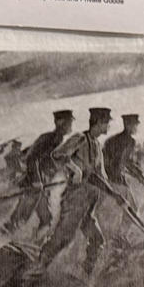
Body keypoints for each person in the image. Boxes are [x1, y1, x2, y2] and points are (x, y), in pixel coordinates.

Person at [39, 107, 115, 275]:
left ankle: (84, 275)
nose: (109, 126)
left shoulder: (97, 145)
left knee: (96, 240)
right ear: (99, 122)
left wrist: (115, 195)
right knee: (63, 237)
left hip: (89, 202)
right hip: (76, 198)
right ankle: (36, 270)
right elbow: (57, 155)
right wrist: (76, 170)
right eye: (107, 122)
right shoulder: (80, 138)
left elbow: (101, 177)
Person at [3, 109, 73, 235]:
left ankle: (32, 244)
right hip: (34, 185)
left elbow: (50, 159)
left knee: (46, 220)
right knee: (20, 218)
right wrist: (36, 180)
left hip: (42, 185)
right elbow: (31, 157)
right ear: (60, 122)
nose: (71, 125)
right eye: (69, 122)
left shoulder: (57, 139)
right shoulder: (51, 138)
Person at [104, 113, 144, 202]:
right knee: (131, 208)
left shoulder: (112, 139)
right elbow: (127, 163)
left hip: (107, 177)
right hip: (116, 179)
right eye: (135, 125)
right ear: (129, 125)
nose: (137, 127)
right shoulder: (130, 141)